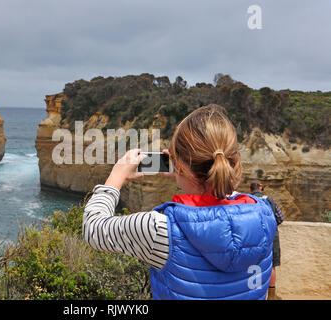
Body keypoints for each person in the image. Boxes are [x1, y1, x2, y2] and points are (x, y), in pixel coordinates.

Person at [82, 104, 277, 300]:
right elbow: (228, 200)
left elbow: (93, 229)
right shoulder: (264, 214)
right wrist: (186, 171)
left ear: (181, 166)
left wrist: (117, 175)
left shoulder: (160, 229)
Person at [250, 180, 284, 300]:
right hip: (271, 236)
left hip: (253, 236)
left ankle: (255, 294)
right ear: (260, 188)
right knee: (272, 265)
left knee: (253, 264)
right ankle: (271, 296)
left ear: (250, 189)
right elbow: (280, 218)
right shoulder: (269, 200)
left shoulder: (247, 199)